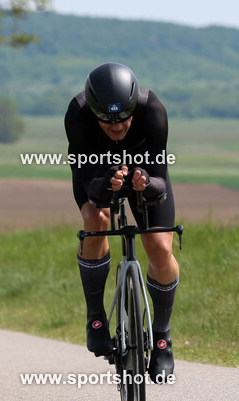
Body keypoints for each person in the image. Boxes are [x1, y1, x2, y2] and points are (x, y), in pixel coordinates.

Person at [64, 62, 179, 382]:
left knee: (158, 245)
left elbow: (158, 179)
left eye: (124, 118)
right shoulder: (77, 113)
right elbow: (87, 182)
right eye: (107, 121)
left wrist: (145, 181)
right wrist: (106, 184)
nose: (117, 127)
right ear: (94, 112)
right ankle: (96, 318)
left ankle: (162, 336)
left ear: (134, 107)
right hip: (97, 171)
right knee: (94, 216)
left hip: (145, 170)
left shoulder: (152, 109)